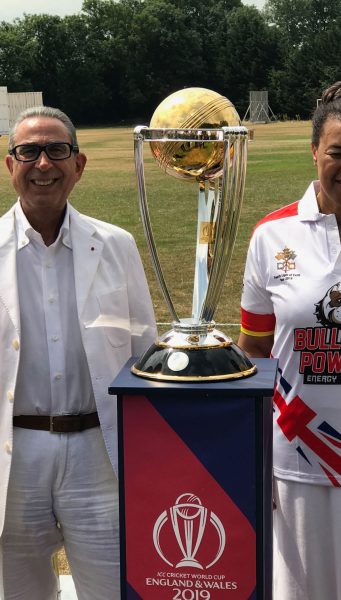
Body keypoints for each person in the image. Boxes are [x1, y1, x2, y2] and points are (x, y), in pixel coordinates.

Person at [239, 81, 341, 600]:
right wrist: (255, 457)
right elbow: (255, 352)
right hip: (296, 459)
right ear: (314, 151)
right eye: (337, 152)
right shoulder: (271, 235)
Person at [0, 106, 157, 599]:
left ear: (79, 164)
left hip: (98, 453)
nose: (42, 163)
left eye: (57, 150)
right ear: (10, 165)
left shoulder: (117, 245)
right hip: (13, 455)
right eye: (28, 151)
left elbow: (144, 357)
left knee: (113, 589)